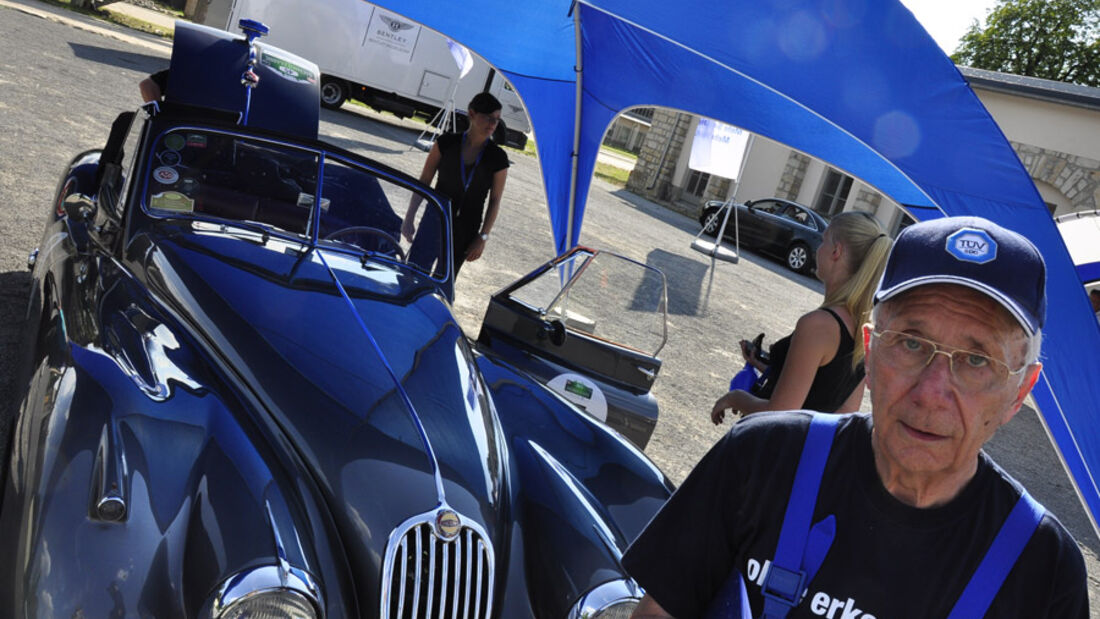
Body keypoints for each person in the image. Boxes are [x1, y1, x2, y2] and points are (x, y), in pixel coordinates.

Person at [624, 216, 1088, 618]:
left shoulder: (1042, 568)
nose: (930, 394)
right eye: (910, 343)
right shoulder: (760, 457)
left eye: (976, 360)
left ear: (1019, 392)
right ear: (869, 351)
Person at [711, 211, 892, 422]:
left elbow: (779, 412)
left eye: (823, 240)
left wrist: (735, 398)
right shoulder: (865, 332)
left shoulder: (818, 325)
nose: (818, 248)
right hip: (803, 452)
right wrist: (765, 367)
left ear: (836, 251)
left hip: (769, 448)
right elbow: (840, 409)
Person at [402, 92, 510, 276]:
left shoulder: (498, 157)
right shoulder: (446, 142)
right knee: (412, 274)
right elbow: (425, 181)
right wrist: (410, 216)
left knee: (443, 283)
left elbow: (495, 200)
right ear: (472, 114)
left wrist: (483, 236)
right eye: (488, 118)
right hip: (434, 219)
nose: (493, 124)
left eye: (497, 119)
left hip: (466, 230)